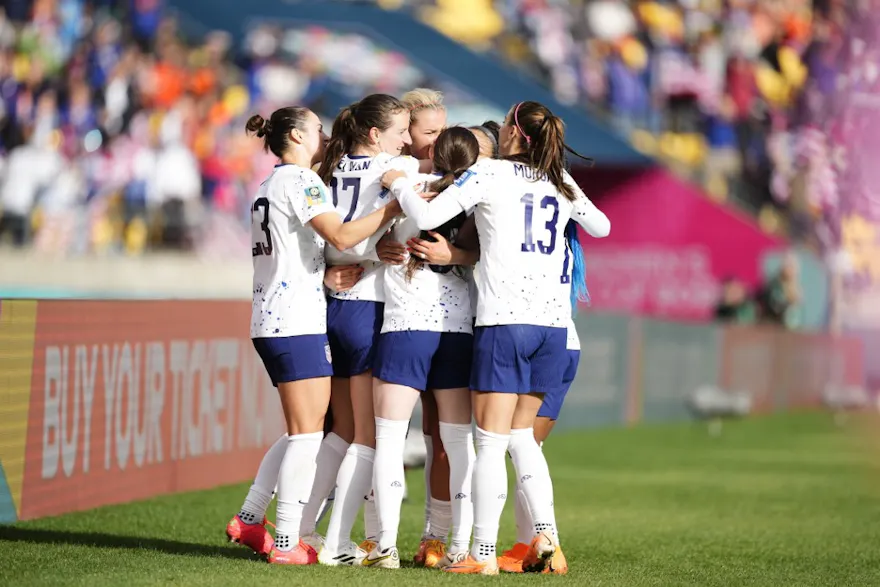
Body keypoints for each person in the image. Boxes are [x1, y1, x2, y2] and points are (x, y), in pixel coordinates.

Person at [381, 100, 610, 574]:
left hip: (504, 322)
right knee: (522, 439)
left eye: (505, 123)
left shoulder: (490, 174)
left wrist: (400, 184)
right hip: (552, 327)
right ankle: (548, 539)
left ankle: (481, 554)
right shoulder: (559, 181)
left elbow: (426, 218)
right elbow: (601, 225)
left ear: (512, 135)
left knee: (489, 444)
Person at [225, 105, 403, 565]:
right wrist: (393, 208)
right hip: (296, 320)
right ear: (298, 136)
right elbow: (341, 235)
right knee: (307, 435)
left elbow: (299, 252)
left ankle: (250, 516)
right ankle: (287, 541)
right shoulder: (300, 180)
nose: (325, 137)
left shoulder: (267, 185)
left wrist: (326, 275)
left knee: (301, 431)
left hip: (272, 317)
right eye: (318, 130)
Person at [308, 94, 421, 567]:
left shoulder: (326, 170)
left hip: (330, 305)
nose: (409, 140)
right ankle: (336, 543)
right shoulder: (397, 169)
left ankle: (298, 531)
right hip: (369, 308)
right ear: (375, 135)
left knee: (337, 432)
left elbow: (318, 242)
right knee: (366, 439)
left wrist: (329, 272)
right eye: (400, 131)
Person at [365, 127, 481, 569]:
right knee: (459, 444)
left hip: (406, 324)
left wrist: (395, 185)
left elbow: (360, 239)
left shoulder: (408, 189)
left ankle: (386, 547)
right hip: (456, 327)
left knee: (389, 441)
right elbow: (475, 253)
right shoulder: (474, 197)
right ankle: (458, 548)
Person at [497, 220, 588, 575]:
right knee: (528, 447)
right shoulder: (566, 244)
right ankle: (529, 545)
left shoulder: (533, 242)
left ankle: (545, 540)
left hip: (541, 340)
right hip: (566, 342)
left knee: (519, 444)